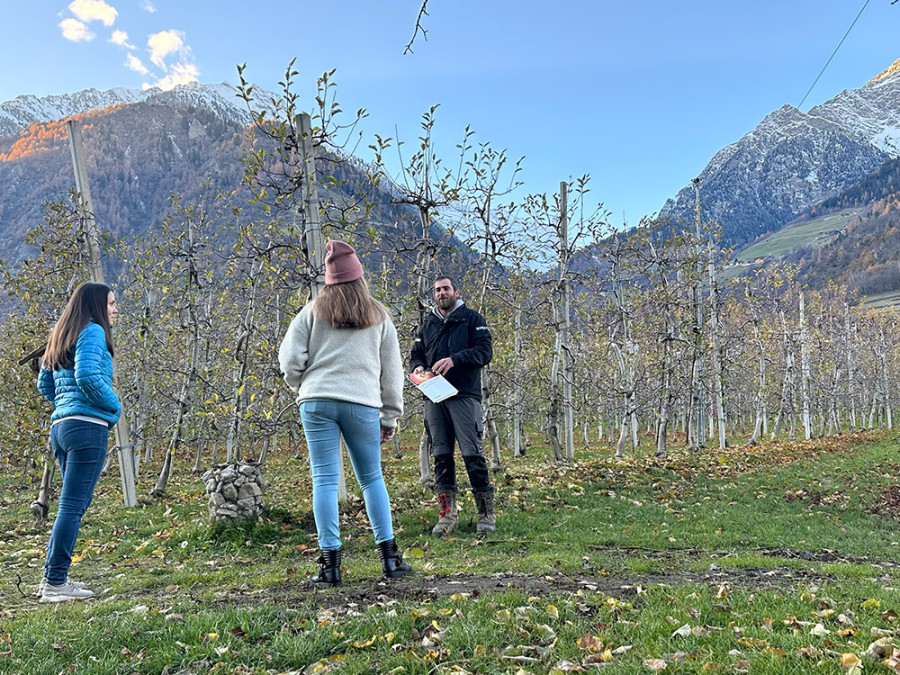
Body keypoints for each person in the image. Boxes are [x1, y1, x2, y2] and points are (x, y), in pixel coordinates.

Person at [278, 240, 412, 587]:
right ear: (360, 278)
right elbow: (392, 371)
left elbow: (290, 360)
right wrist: (390, 415)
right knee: (371, 478)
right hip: (362, 403)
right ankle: (390, 558)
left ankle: (330, 567)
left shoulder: (311, 312)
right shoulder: (379, 316)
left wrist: (302, 386)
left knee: (324, 479)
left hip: (317, 401)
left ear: (329, 280)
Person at [37, 281, 121, 602]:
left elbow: (45, 383)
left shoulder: (62, 333)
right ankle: (56, 582)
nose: (115, 310)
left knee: (69, 508)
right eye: (111, 303)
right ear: (97, 305)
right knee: (72, 508)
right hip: (87, 427)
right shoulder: (93, 331)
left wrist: (65, 405)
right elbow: (87, 376)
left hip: (61, 427)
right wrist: (113, 405)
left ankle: (51, 579)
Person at [410, 276, 496, 536]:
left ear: (456, 292)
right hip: (434, 396)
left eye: (445, 289)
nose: (441, 293)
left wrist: (456, 360)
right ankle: (447, 515)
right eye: (437, 290)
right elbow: (417, 353)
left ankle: (486, 514)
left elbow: (485, 351)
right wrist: (417, 366)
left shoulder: (472, 319)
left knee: (473, 453)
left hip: (464, 394)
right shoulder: (428, 324)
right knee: (442, 455)